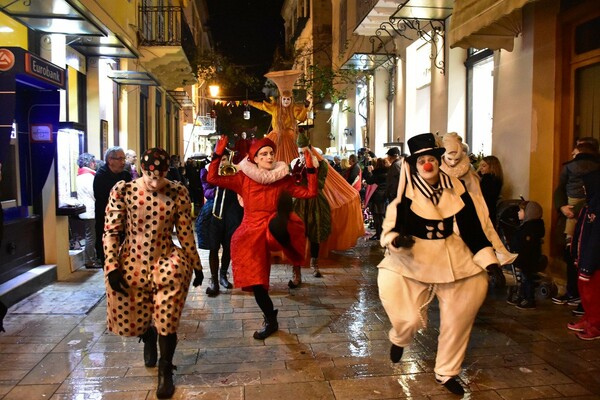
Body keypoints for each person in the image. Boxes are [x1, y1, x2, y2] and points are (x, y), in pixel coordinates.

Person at [377, 133, 504, 396]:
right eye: (421, 160)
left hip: (453, 256)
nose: (427, 164)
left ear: (438, 160)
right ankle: (401, 337)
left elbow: (472, 229)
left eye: (431, 158)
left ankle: (447, 372)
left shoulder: (458, 189)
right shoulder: (406, 192)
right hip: (413, 259)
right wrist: (395, 240)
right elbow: (390, 227)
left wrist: (490, 263)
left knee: (461, 311)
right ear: (415, 164)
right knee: (406, 317)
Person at [103, 147, 203, 399]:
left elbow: (185, 233)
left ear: (166, 172)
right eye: (150, 176)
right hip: (131, 262)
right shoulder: (124, 190)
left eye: (159, 176)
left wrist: (196, 264)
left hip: (166, 262)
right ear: (142, 171)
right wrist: (112, 266)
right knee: (130, 318)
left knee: (167, 322)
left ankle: (165, 370)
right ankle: (147, 335)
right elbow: (112, 231)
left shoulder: (177, 192)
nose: (154, 182)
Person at [207, 135, 317, 339]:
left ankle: (284, 235)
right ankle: (270, 317)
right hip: (251, 232)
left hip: (273, 226)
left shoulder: (283, 179)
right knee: (258, 284)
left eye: (271, 153)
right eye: (263, 154)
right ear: (255, 159)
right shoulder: (243, 178)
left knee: (278, 226)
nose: (269, 157)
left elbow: (310, 192)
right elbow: (212, 179)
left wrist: (311, 169)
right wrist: (217, 154)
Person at [249, 69, 363, 257]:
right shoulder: (274, 108)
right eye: (283, 99)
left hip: (293, 140)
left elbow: (301, 117)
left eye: (288, 99)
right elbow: (262, 106)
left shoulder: (295, 110)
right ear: (280, 99)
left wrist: (307, 107)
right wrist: (249, 102)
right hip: (276, 140)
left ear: (291, 100)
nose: (285, 102)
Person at [440, 132, 516, 270]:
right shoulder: (439, 172)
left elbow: (478, 198)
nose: (452, 162)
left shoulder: (470, 174)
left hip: (468, 216)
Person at [552, 139, 600, 308]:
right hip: (571, 212)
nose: (573, 155)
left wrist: (573, 208)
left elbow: (593, 195)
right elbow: (560, 188)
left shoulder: (591, 170)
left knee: (582, 255)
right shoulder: (570, 168)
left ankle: (581, 297)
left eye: (575, 152)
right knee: (571, 253)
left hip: (587, 214)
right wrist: (562, 206)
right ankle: (573, 291)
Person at [196, 150, 243, 296]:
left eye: (224, 159)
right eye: (219, 159)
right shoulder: (206, 171)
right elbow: (206, 192)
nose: (222, 162)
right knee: (213, 247)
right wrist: (219, 183)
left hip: (231, 212)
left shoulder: (234, 171)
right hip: (213, 212)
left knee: (229, 247)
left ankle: (223, 275)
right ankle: (214, 281)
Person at [288, 133, 331, 288]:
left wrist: (310, 169)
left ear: (310, 151)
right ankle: (296, 271)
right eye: (300, 153)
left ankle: (315, 264)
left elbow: (319, 185)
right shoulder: (293, 165)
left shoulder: (321, 164)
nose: (302, 156)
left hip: (315, 202)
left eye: (305, 152)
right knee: (296, 237)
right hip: (298, 203)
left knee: (315, 234)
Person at [569, 169, 600, 340]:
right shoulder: (588, 206)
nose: (583, 189)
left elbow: (596, 239)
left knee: (594, 295)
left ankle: (595, 325)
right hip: (585, 258)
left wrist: (588, 264)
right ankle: (589, 319)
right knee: (585, 294)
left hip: (594, 262)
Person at [93, 146, 131, 265]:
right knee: (108, 253)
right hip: (106, 221)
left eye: (124, 159)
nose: (123, 162)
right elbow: (103, 197)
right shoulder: (101, 175)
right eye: (120, 159)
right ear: (110, 160)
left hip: (125, 222)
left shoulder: (125, 175)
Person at [508, 200, 546, 310]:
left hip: (528, 259)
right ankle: (522, 297)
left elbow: (525, 244)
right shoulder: (527, 226)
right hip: (525, 259)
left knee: (527, 279)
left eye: (520, 210)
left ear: (529, 212)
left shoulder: (530, 228)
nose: (518, 213)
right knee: (524, 278)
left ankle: (530, 299)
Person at [76, 153, 100, 269]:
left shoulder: (80, 176)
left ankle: (91, 259)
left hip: (86, 210)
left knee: (90, 236)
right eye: (94, 162)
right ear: (90, 163)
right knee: (91, 237)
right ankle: (90, 261)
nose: (95, 164)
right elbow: (94, 193)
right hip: (91, 210)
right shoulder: (89, 177)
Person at [364, 157, 389, 241]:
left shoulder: (378, 173)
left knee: (377, 216)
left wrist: (369, 172)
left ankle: (379, 234)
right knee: (382, 216)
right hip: (385, 196)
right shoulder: (388, 172)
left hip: (378, 196)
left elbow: (370, 181)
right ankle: (383, 234)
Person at [477, 155, 504, 223]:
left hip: (484, 211)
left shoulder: (487, 179)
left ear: (492, 167)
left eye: (484, 166)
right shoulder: (497, 178)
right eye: (480, 166)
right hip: (491, 211)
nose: (480, 168)